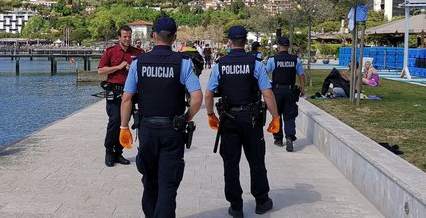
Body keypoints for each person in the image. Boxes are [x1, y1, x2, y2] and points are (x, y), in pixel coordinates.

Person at [119, 16, 202, 218]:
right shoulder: (183, 63)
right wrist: (186, 118)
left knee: (149, 179)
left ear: (153, 35)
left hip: (147, 130)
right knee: (168, 183)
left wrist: (123, 127)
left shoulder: (139, 63)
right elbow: (197, 98)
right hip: (172, 130)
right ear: (174, 37)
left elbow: (127, 97)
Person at [205, 26, 280, 217]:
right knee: (256, 161)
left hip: (229, 119)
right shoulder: (255, 63)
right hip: (251, 118)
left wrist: (210, 114)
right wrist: (275, 117)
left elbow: (208, 93)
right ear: (246, 41)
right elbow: (267, 93)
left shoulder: (220, 64)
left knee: (230, 163)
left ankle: (236, 206)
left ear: (229, 42)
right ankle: (262, 201)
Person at [98, 25, 144, 167]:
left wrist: (134, 69)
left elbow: (143, 70)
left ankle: (119, 152)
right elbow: (100, 70)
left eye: (129, 36)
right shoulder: (110, 52)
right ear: (119, 37)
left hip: (129, 93)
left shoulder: (137, 53)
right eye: (124, 36)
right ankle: (109, 151)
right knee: (115, 120)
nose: (127, 39)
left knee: (124, 122)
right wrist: (118, 67)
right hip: (114, 91)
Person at [265, 37, 306, 152]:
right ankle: (289, 137)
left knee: (276, 114)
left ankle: (278, 138)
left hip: (276, 91)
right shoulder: (295, 60)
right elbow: (301, 75)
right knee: (289, 115)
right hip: (290, 91)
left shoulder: (273, 60)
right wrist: (303, 88)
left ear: (278, 46)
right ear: (288, 46)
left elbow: (265, 72)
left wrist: (267, 85)